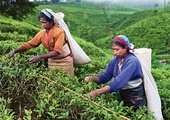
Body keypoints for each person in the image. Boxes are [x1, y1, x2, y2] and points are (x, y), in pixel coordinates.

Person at [84, 35, 147, 110]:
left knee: (136, 113)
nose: (114, 52)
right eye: (113, 49)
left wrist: (97, 92)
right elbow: (106, 75)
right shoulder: (116, 59)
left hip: (134, 94)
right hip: (123, 93)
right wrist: (92, 78)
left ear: (125, 48)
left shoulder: (132, 61)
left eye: (117, 49)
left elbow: (119, 82)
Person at [7, 8, 74, 76]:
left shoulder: (59, 32)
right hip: (52, 61)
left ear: (51, 22)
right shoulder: (42, 33)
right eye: (41, 22)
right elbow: (29, 44)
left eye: (45, 22)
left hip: (65, 61)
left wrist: (39, 57)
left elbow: (57, 51)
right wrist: (15, 51)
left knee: (65, 81)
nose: (43, 25)